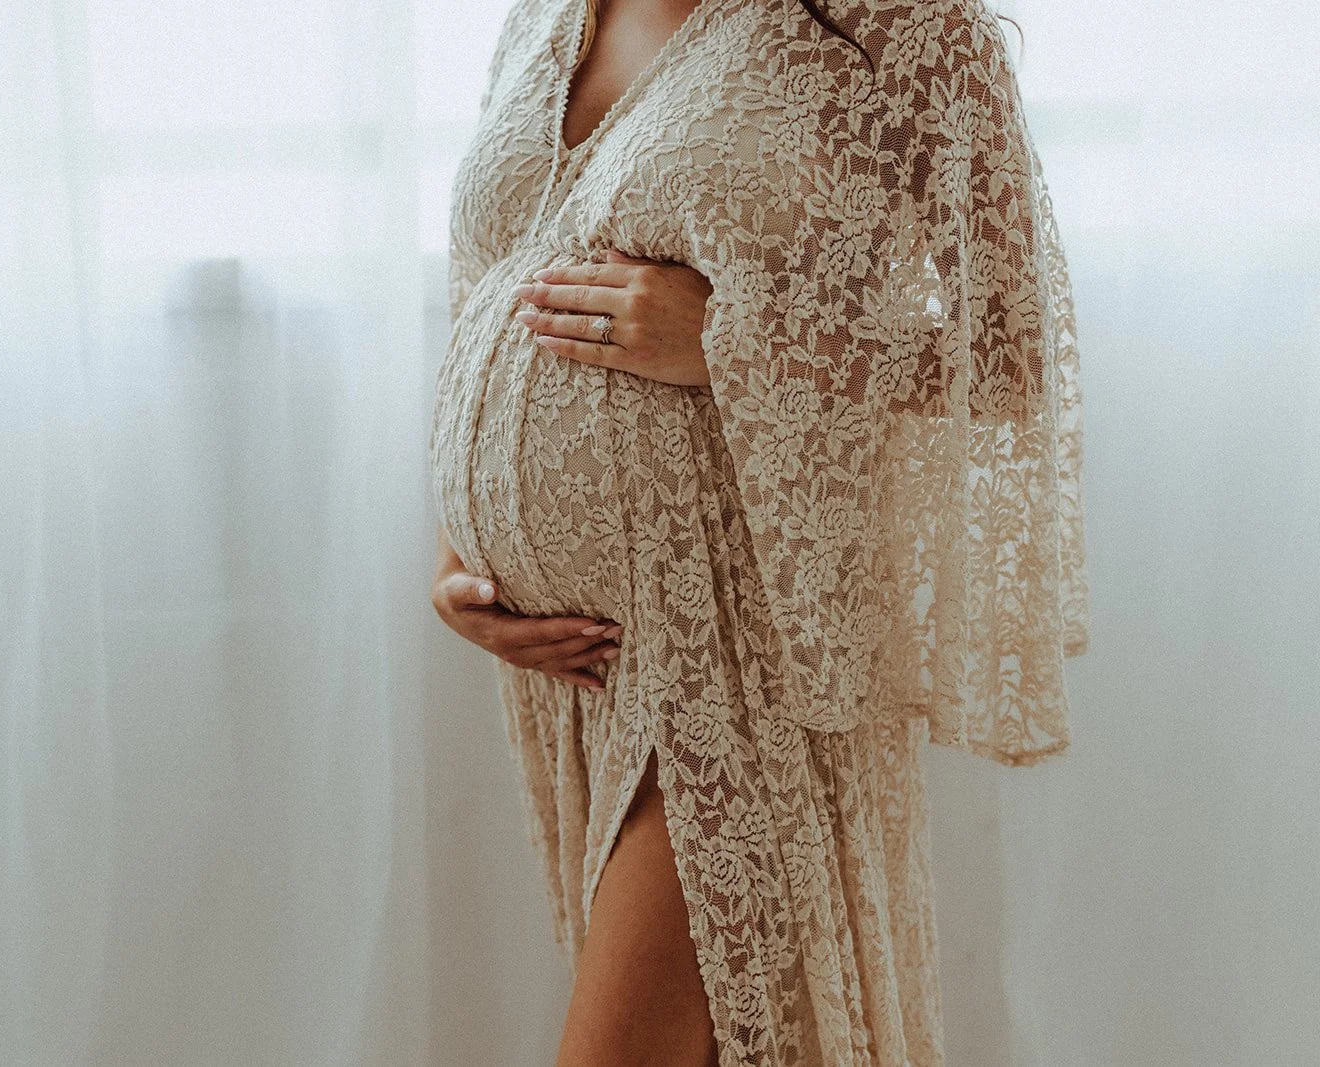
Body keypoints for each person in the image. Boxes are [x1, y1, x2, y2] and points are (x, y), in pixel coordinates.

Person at [428, 0, 1090, 1062]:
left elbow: (1008, 354)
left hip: (734, 648)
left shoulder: (906, 29)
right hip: (577, 678)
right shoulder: (543, 19)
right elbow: (486, 281)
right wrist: (461, 556)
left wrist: (740, 338)